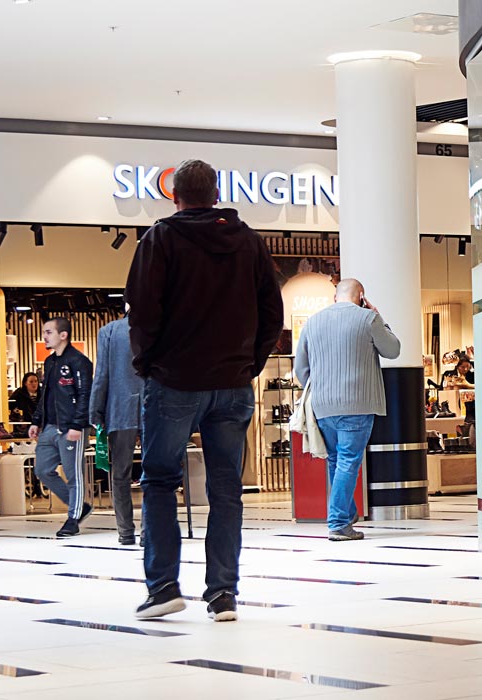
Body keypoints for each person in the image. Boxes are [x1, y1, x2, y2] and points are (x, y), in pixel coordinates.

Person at [125, 159, 283, 622]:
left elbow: (143, 311)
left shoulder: (159, 239)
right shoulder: (250, 243)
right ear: (216, 193)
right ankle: (222, 594)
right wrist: (249, 365)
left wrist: (147, 363)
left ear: (174, 195)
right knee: (226, 489)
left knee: (158, 481)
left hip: (174, 380)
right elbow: (271, 312)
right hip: (231, 384)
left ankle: (163, 587)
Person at [294, 279, 401, 541]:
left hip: (322, 405)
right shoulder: (367, 319)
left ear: (334, 296)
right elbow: (393, 350)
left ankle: (346, 513)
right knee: (348, 461)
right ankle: (339, 523)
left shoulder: (312, 322)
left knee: (336, 460)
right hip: (357, 402)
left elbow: (300, 370)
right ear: (362, 296)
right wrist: (378, 315)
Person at [29, 317, 95, 539]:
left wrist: (78, 424)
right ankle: (79, 506)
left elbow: (86, 395)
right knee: (42, 470)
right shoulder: (49, 362)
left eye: (48, 332)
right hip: (50, 426)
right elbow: (45, 394)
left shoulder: (79, 362)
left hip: (71, 428)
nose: (44, 336)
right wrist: (36, 420)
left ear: (63, 335)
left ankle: (73, 519)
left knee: (73, 474)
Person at [90, 310, 144, 546]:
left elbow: (102, 374)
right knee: (155, 474)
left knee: (120, 473)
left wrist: (95, 411)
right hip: (153, 408)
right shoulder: (159, 326)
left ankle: (125, 532)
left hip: (120, 409)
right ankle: (149, 531)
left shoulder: (109, 331)